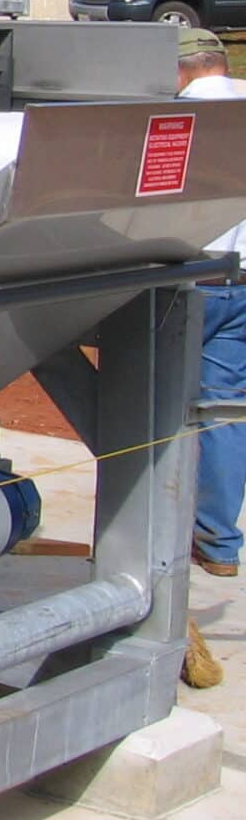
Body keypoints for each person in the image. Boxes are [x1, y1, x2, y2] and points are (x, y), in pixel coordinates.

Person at [178, 28, 246, 577]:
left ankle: (146, 535)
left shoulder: (177, 115)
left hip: (187, 278)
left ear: (183, 70)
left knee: (144, 411)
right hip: (242, 284)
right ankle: (219, 544)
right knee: (223, 409)